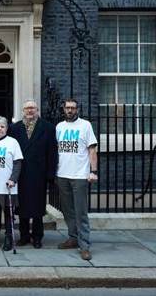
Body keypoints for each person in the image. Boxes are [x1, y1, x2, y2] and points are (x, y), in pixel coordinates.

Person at [8, 99, 57, 249]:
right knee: (22, 206)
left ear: (37, 110)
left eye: (33, 108)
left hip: (39, 173)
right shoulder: (14, 128)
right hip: (21, 174)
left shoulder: (47, 128)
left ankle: (37, 236)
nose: (30, 111)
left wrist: (50, 173)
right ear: (23, 111)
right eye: (27, 108)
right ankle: (24, 236)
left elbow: (52, 152)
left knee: (37, 207)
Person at [55, 98, 98, 261]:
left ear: (77, 109)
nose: (70, 111)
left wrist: (93, 171)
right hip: (62, 174)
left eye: (73, 108)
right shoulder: (59, 127)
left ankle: (84, 245)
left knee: (80, 212)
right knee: (67, 210)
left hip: (80, 175)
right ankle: (73, 238)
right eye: (67, 108)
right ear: (64, 109)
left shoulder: (85, 125)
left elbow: (92, 149)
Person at [0, 116, 23, 251]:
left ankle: (8, 236)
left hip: (8, 186)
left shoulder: (13, 143)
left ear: (7, 128)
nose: (0, 129)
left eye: (2, 126)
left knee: (8, 214)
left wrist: (13, 179)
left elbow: (18, 163)